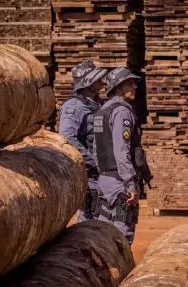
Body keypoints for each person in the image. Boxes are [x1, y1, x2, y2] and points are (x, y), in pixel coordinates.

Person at [93, 67, 151, 244]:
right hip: (120, 183)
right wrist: (131, 184)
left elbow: (96, 149)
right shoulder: (122, 112)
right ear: (117, 88)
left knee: (103, 239)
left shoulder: (102, 112)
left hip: (104, 182)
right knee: (121, 240)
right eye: (129, 83)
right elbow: (121, 150)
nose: (134, 87)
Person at [59, 60, 108, 222]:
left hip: (102, 173)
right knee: (90, 217)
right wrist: (91, 161)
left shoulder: (99, 104)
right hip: (89, 174)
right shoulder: (74, 106)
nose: (102, 80)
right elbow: (67, 138)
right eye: (97, 78)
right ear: (87, 82)